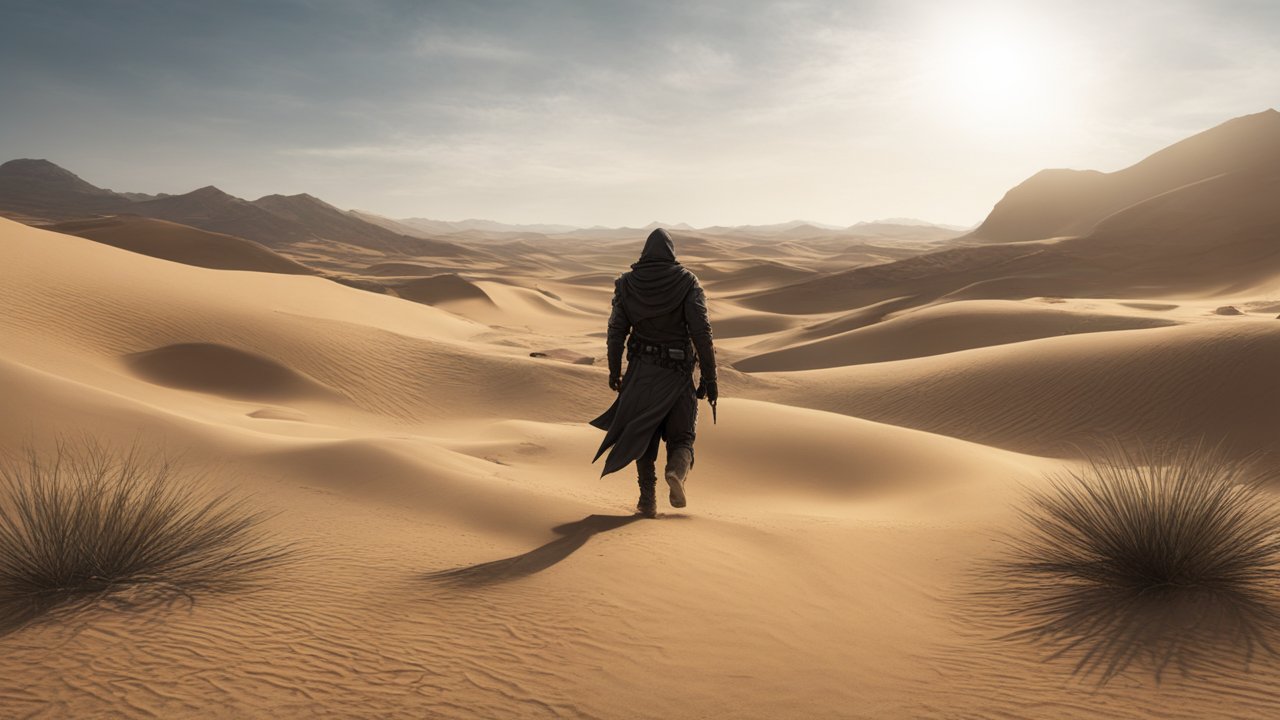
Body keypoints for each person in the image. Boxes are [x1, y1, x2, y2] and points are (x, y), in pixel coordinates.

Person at [590, 228, 718, 518]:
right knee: (682, 437)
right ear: (671, 252)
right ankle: (675, 471)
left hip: (641, 373)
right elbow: (702, 332)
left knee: (644, 436)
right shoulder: (687, 282)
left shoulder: (626, 284)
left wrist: (614, 368)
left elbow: (616, 331)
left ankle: (647, 501)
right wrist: (710, 378)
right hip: (678, 373)